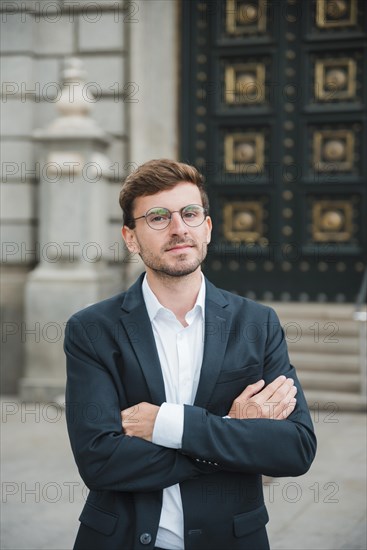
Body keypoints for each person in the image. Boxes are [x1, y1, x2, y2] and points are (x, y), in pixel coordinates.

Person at [64, 158, 316, 550]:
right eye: (158, 217)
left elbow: (295, 449)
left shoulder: (257, 323)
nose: (179, 228)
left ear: (208, 227)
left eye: (190, 213)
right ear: (130, 237)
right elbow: (100, 461)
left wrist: (169, 425)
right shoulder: (92, 329)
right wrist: (231, 428)